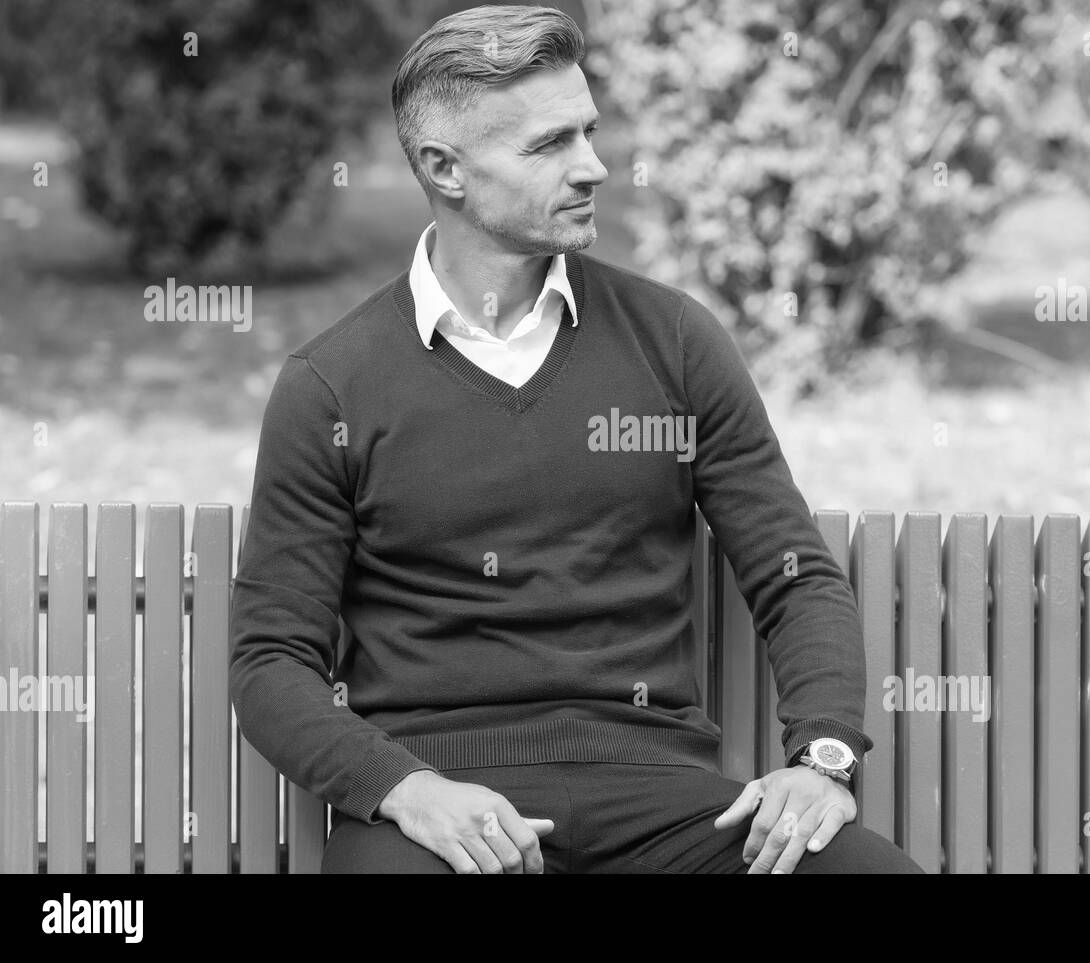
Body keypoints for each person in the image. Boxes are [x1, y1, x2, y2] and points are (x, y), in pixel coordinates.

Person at [228, 3, 922, 875]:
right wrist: (406, 790)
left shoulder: (672, 341)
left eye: (589, 132)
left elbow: (795, 575)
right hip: (445, 817)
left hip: (667, 808)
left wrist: (824, 756)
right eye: (550, 144)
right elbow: (270, 662)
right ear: (446, 169)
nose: (593, 165)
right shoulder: (332, 385)